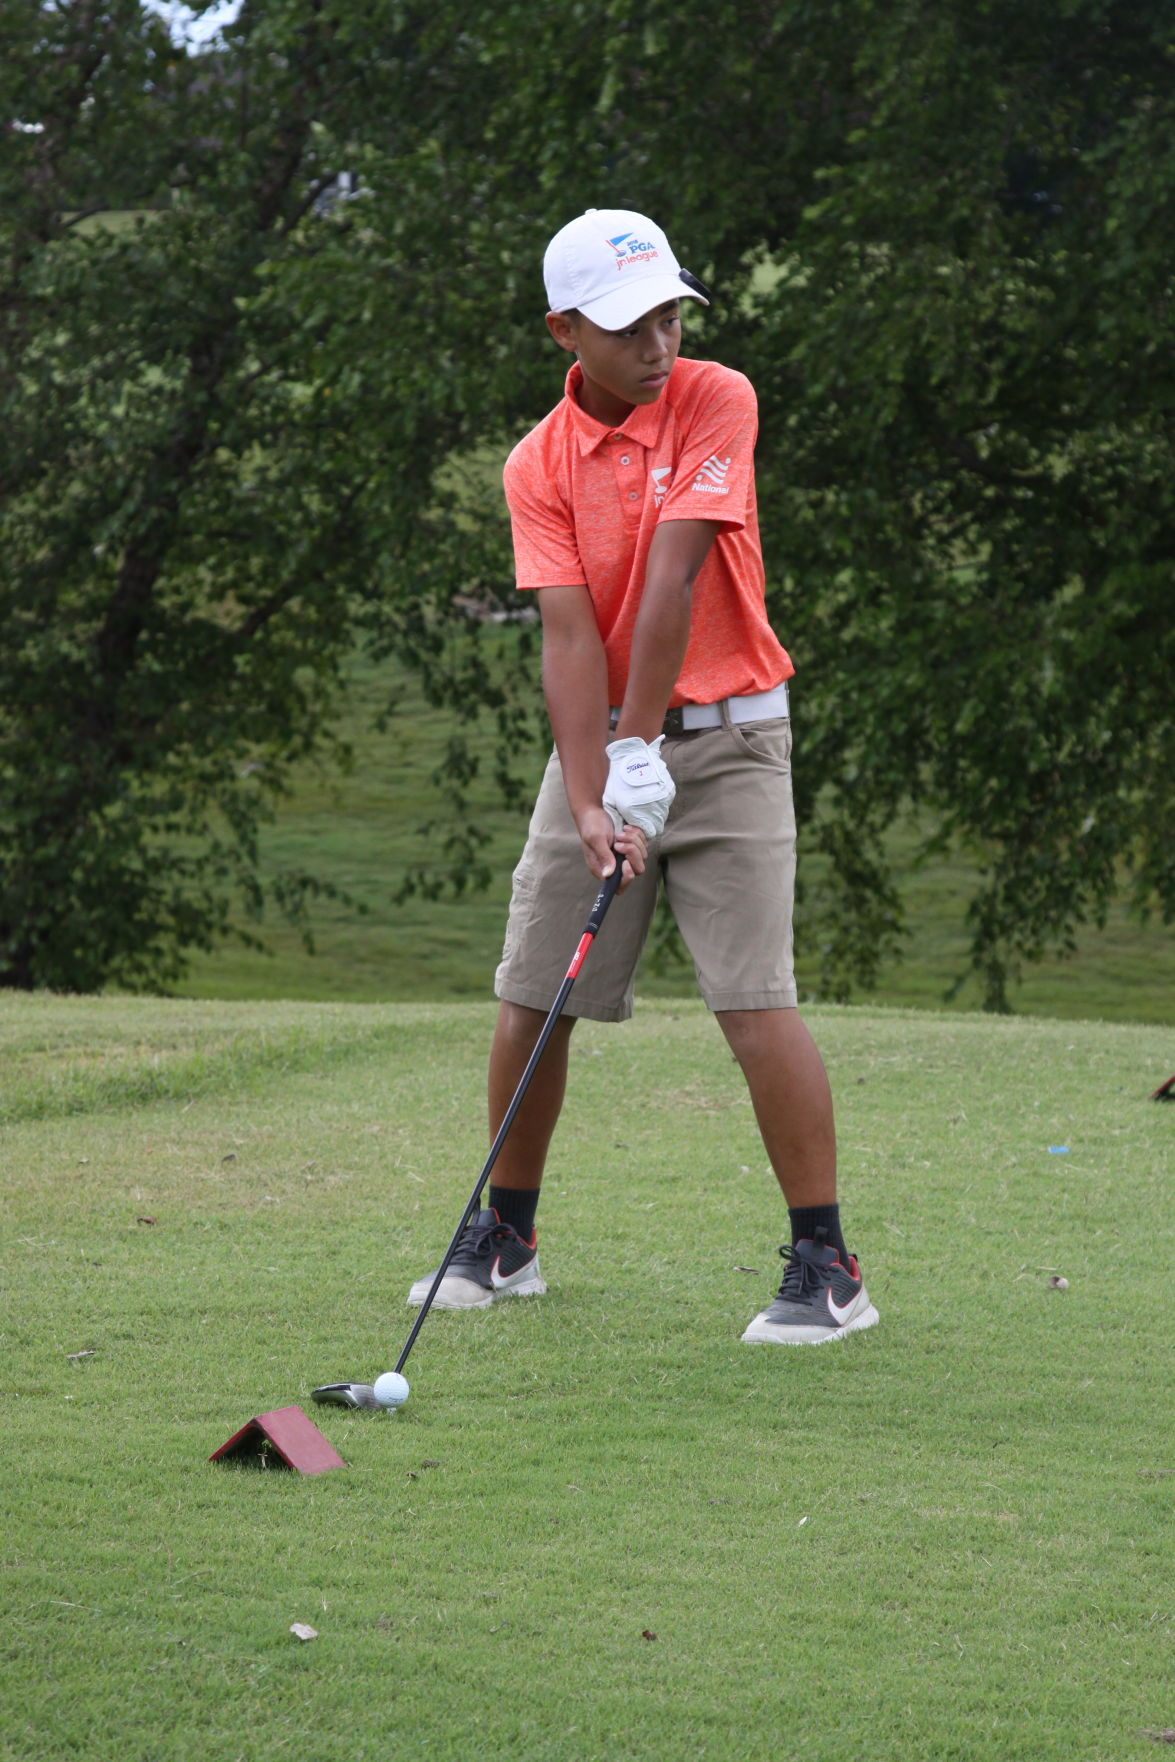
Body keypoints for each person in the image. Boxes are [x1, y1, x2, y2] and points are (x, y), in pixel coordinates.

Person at [407, 208, 878, 1345]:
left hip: (733, 740)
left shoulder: (717, 397)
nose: (659, 343)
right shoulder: (538, 463)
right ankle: (506, 1238)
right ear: (563, 331)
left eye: (670, 315)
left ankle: (827, 1267)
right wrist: (590, 793)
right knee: (533, 993)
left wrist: (636, 756)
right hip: (605, 748)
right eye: (629, 327)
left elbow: (671, 582)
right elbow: (569, 635)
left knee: (753, 1002)